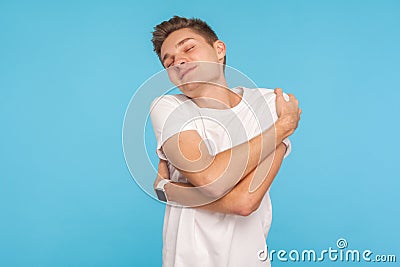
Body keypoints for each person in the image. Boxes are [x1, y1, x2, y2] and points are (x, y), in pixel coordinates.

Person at [149, 16, 301, 267]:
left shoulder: (269, 104)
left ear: (219, 50)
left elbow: (244, 202)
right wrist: (283, 127)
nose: (179, 61)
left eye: (188, 48)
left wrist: (170, 190)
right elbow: (211, 180)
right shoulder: (167, 107)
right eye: (169, 61)